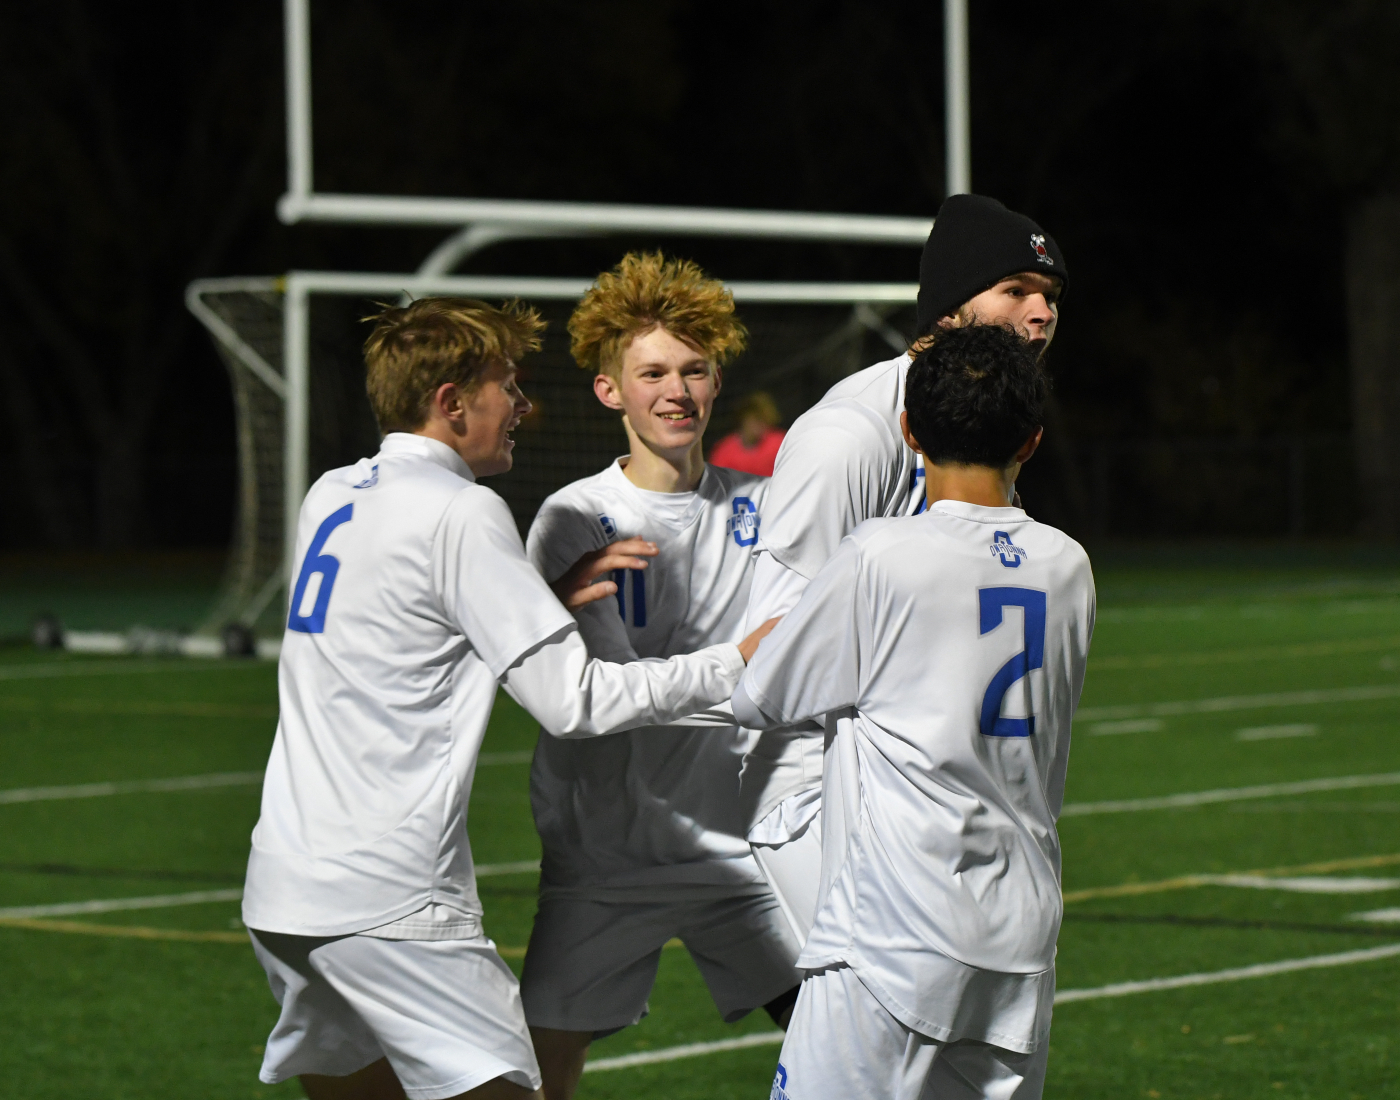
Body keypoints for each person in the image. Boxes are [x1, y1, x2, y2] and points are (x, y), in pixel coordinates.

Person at [240, 297, 776, 1100]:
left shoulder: (333, 494)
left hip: (282, 890)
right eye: (508, 387)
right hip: (393, 901)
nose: (524, 407)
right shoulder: (461, 509)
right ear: (452, 403)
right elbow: (576, 703)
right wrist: (733, 663)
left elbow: (407, 640)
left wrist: (539, 601)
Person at [735, 323, 1095, 1100]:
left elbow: (759, 697)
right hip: (1021, 933)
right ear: (1030, 441)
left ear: (908, 430)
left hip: (894, 933)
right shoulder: (1070, 565)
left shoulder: (879, 554)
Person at [741, 193, 1069, 942]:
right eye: (1016, 290)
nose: (1041, 312)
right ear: (950, 307)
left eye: (1049, 296)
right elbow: (776, 648)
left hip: (926, 784)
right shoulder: (848, 435)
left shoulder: (989, 423)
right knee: (877, 1029)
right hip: (814, 786)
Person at [519, 253, 802, 1100]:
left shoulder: (768, 506)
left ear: (717, 383)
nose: (675, 391)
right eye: (652, 373)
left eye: (693, 370)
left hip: (743, 854)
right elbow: (606, 697)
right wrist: (744, 667)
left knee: (849, 1038)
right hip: (607, 855)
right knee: (536, 1070)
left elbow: (794, 662)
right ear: (612, 392)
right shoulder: (575, 518)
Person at [709, 390, 786, 475]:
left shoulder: (779, 444)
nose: (759, 425)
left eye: (763, 420)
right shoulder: (725, 451)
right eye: (755, 419)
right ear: (743, 419)